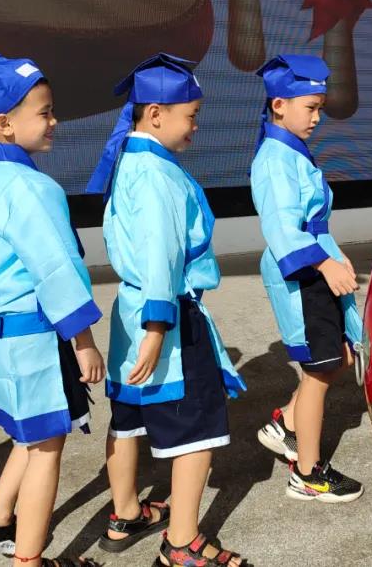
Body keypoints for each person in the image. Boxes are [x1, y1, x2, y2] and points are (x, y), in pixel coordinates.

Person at [0, 32, 104, 567]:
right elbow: (56, 269)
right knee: (48, 446)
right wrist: (84, 342)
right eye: (45, 113)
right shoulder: (29, 187)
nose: (54, 122)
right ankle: (29, 559)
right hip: (33, 340)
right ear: (5, 123)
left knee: (28, 437)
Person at [86, 53, 247, 566]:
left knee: (128, 420)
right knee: (198, 430)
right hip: (166, 314)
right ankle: (182, 543)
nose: (196, 127)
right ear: (156, 114)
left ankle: (125, 513)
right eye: (191, 116)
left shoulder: (129, 162)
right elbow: (161, 253)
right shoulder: (157, 174)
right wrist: (158, 326)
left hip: (130, 310)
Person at [250, 54, 364, 503]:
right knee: (319, 370)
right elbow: (282, 227)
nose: (317, 118)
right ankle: (308, 474)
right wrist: (324, 263)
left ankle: (285, 423)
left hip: (315, 262)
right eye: (310, 107)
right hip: (303, 271)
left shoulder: (289, 150)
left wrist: (332, 257)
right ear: (279, 105)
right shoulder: (274, 159)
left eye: (319, 108)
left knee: (339, 357)